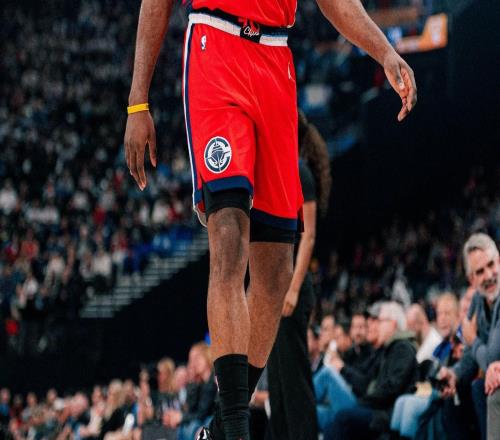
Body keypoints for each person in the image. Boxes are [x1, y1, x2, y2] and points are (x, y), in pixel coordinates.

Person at [123, 0, 417, 438]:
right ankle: (237, 428)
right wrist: (137, 103)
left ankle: (223, 423)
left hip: (275, 62)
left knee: (276, 271)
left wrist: (385, 51)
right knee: (228, 237)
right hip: (216, 48)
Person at [267, 111, 331, 439]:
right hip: (275, 289)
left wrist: (292, 290)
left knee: (294, 382)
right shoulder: (279, 171)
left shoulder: (300, 171)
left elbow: (309, 236)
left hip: (292, 288)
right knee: (278, 383)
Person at [318, 302, 418, 439]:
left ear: (392, 324)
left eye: (380, 321)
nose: (376, 325)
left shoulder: (402, 348)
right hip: (375, 407)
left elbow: (391, 388)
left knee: (341, 417)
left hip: (382, 414)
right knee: (324, 416)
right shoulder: (390, 348)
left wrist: (362, 402)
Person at [439, 233, 500, 440]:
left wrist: (473, 339)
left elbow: (492, 360)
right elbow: (471, 357)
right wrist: (454, 374)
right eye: (480, 272)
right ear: (471, 280)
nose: (489, 275)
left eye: (491, 265)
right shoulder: (477, 300)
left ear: (499, 261)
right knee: (453, 396)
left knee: (483, 389)